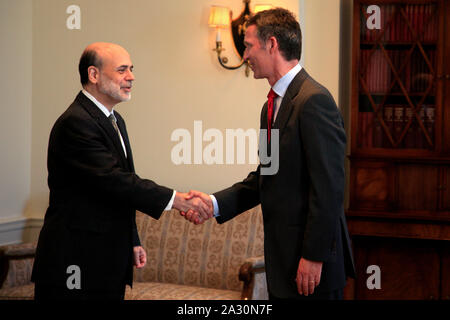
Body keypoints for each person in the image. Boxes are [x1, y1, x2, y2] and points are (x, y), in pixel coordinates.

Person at [183, 8, 356, 300]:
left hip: (311, 266)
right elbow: (266, 177)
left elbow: (328, 188)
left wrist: (313, 256)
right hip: (283, 263)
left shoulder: (314, 100)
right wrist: (213, 204)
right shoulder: (271, 106)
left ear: (272, 44)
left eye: (249, 46)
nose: (245, 55)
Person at [31, 42, 212, 300]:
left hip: (106, 261)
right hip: (76, 262)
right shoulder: (76, 122)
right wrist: (178, 200)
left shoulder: (114, 120)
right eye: (122, 70)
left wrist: (133, 240)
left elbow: (122, 187)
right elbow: (115, 180)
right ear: (93, 75)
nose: (131, 77)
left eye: (131, 69)